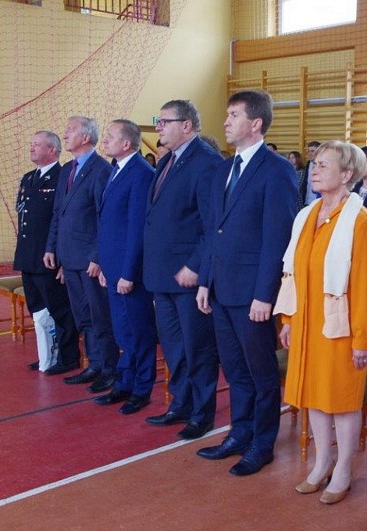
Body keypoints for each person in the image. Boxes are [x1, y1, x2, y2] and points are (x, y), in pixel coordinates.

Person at [195, 89, 297, 476]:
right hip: (221, 288)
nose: (226, 121)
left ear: (255, 123)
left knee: (261, 373)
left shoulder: (276, 170)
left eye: (234, 115)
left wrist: (265, 295)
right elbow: (213, 231)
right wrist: (205, 281)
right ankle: (240, 433)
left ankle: (262, 443)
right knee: (235, 370)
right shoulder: (224, 169)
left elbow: (277, 238)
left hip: (252, 293)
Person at [276, 141, 367, 505]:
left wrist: (362, 340)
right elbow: (294, 273)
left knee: (342, 399)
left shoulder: (361, 222)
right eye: (315, 163)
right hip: (307, 322)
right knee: (315, 396)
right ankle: (322, 463)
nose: (315, 170)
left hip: (340, 328)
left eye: (324, 165)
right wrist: (288, 320)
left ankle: (344, 469)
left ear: (347, 173)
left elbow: (366, 287)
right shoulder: (307, 215)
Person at [144, 100, 221, 440]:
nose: (158, 127)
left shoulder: (207, 162)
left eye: (165, 121)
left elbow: (212, 223)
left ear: (186, 125)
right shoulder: (168, 160)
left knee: (198, 347)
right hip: (162, 273)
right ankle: (181, 403)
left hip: (188, 275)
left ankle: (202, 413)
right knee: (174, 347)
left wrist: (195, 266)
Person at [44, 116, 120, 393]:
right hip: (69, 257)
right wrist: (52, 248)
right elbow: (58, 213)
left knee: (100, 316)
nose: (65, 134)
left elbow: (105, 218)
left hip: (90, 259)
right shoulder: (67, 169)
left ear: (86, 137)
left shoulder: (101, 170)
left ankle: (109, 369)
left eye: (70, 130)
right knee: (83, 317)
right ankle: (94, 364)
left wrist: (98, 256)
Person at [91, 119, 157, 414]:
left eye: (110, 136)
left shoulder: (141, 173)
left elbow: (136, 229)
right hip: (114, 268)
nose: (104, 140)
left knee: (138, 332)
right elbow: (109, 224)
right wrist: (106, 267)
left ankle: (141, 389)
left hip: (130, 272)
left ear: (127, 143)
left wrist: (128, 273)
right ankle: (124, 383)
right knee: (123, 332)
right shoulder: (118, 169)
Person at [13, 131, 80, 374]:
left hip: (49, 257)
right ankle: (47, 355)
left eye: (37, 145)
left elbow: (62, 220)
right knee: (38, 309)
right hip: (28, 256)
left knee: (59, 309)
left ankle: (68, 357)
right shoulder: (29, 178)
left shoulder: (63, 177)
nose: (31, 148)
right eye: (31, 144)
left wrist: (62, 259)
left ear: (52, 150)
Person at [300, 141, 321, 207]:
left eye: (312, 151)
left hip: (318, 200)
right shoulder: (308, 165)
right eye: (308, 151)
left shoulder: (324, 167)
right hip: (307, 201)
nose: (309, 153)